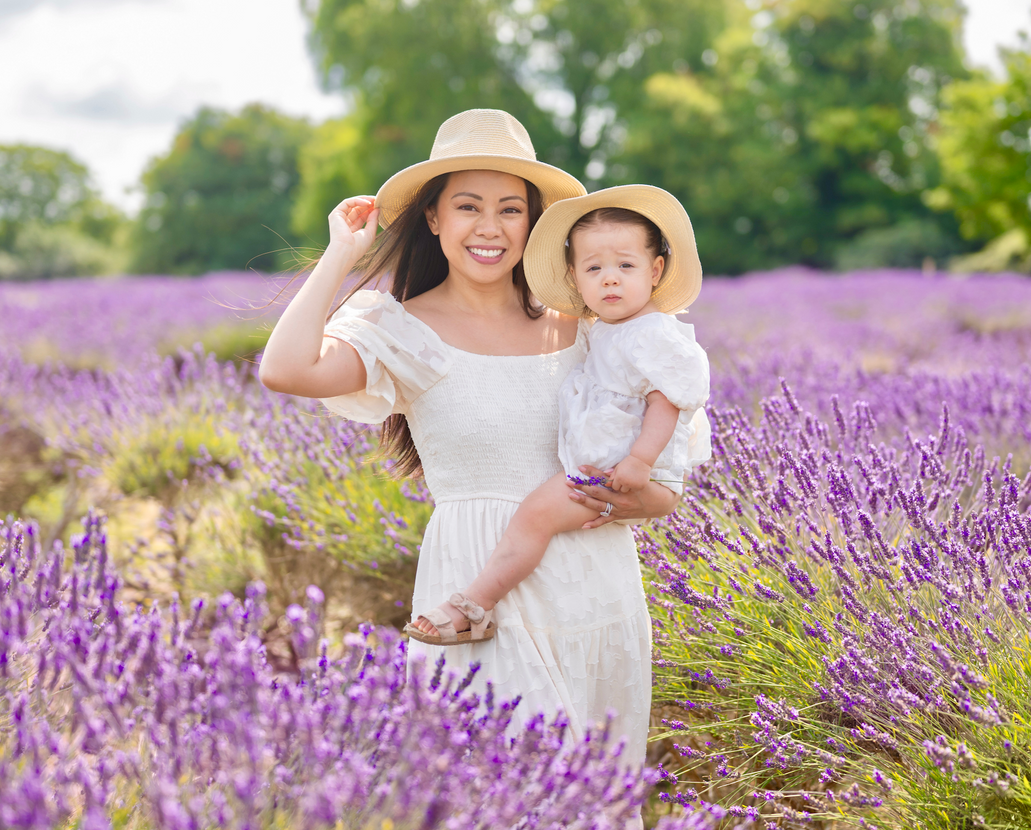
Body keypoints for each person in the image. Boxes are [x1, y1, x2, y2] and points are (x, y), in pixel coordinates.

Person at [257, 109, 681, 772]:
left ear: (534, 223)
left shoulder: (587, 327)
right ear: (433, 218)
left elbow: (664, 473)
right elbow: (285, 370)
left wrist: (626, 495)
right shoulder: (403, 331)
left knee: (592, 798)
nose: (490, 227)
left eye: (511, 209)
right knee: (497, 791)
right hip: (475, 600)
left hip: (595, 593)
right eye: (468, 206)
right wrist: (341, 254)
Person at [405, 186, 710, 648]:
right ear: (575, 277)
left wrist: (641, 462)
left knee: (535, 515)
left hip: (627, 469)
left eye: (626, 267)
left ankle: (473, 606)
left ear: (656, 270)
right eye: (594, 269)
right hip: (612, 465)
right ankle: (476, 604)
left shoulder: (653, 334)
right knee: (535, 517)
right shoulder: (607, 329)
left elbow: (668, 403)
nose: (610, 280)